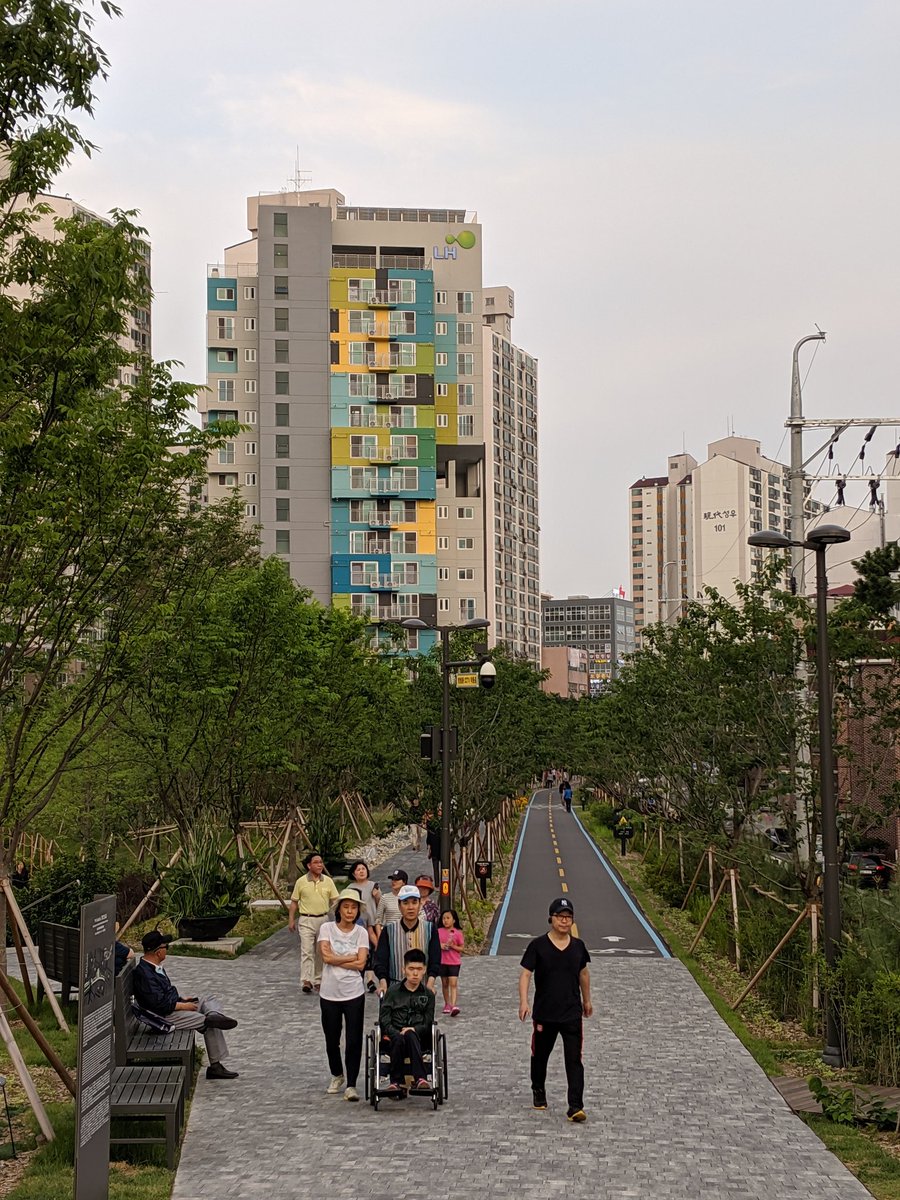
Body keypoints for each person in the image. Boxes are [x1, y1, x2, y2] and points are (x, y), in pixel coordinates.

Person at [518, 897, 592, 1122]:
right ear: (551, 918)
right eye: (560, 916)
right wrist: (524, 1002)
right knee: (540, 1056)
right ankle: (538, 1089)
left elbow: (583, 974)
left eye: (568, 917)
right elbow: (525, 974)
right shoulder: (538, 946)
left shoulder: (578, 946)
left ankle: (575, 1106)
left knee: (574, 1060)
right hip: (545, 1012)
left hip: (571, 1012)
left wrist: (587, 1000)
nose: (564, 921)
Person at [134, 930, 239, 1080]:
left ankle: (214, 1014)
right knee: (206, 1022)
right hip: (163, 1018)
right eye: (166, 947)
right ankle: (215, 1066)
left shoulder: (153, 967)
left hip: (172, 1007)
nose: (167, 950)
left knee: (206, 999)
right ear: (158, 952)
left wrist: (182, 999)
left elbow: (164, 994)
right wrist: (183, 1006)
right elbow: (160, 1005)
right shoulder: (145, 974)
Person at [317, 888, 369, 1102]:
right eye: (346, 907)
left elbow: (361, 963)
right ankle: (337, 1074)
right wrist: (350, 957)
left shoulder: (361, 932)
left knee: (354, 1040)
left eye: (353, 907)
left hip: (354, 992)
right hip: (329, 992)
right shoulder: (327, 928)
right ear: (338, 909)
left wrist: (338, 958)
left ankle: (352, 1084)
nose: (349, 911)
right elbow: (326, 958)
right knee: (331, 1038)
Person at [379, 948, 435, 1093]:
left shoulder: (428, 995)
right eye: (411, 969)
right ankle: (396, 1082)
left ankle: (420, 1079)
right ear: (404, 970)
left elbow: (428, 1020)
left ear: (424, 970)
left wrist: (414, 1029)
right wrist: (395, 1032)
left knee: (410, 1034)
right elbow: (384, 1018)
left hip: (419, 1038)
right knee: (400, 1038)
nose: (415, 973)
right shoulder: (392, 992)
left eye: (419, 969)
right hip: (394, 1036)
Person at [287, 851, 340, 994]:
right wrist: (291, 920)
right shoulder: (301, 882)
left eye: (321, 862)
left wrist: (339, 919)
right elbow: (294, 902)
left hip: (323, 919)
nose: (320, 865)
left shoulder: (328, 881)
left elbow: (335, 901)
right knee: (307, 951)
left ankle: (318, 979)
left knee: (320, 951)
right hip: (306, 919)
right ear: (309, 865)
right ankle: (306, 980)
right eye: (316, 862)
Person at [373, 885, 441, 992]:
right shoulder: (389, 930)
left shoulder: (430, 929)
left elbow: (435, 959)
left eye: (414, 902)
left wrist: (431, 982)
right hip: (394, 989)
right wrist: (382, 982)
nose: (410, 907)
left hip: (422, 988)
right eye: (405, 903)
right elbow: (380, 961)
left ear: (420, 905)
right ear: (399, 906)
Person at [347, 860, 381, 993]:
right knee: (361, 950)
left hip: (372, 921)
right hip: (357, 922)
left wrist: (376, 895)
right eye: (358, 869)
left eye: (363, 869)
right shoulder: (350, 888)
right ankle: (360, 978)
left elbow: (380, 903)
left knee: (372, 950)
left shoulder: (373, 885)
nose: (361, 871)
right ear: (353, 874)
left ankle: (370, 979)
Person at [438, 908, 464, 1016]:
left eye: (448, 918)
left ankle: (453, 1005)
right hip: (442, 961)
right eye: (444, 918)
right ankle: (447, 1004)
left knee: (453, 983)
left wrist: (453, 946)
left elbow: (461, 948)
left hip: (454, 962)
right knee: (445, 984)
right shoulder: (438, 931)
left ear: (454, 920)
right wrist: (441, 946)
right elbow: (434, 944)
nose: (445, 920)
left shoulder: (458, 933)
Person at [373, 868, 407, 936]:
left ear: (404, 882)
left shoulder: (409, 898)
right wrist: (380, 938)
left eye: (397, 880)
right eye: (393, 879)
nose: (394, 882)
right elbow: (378, 920)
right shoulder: (385, 897)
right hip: (390, 934)